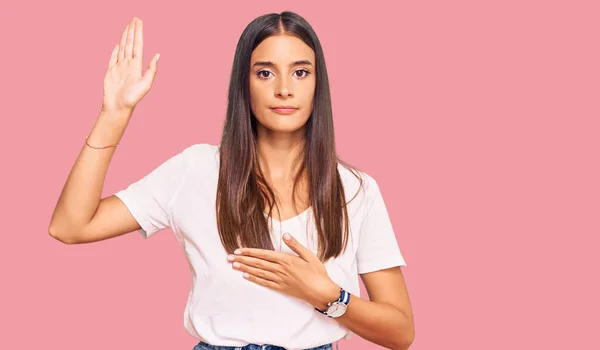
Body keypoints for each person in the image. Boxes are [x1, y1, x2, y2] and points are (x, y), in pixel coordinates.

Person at [49, 11, 415, 350]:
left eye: (300, 72)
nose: (284, 89)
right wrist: (114, 114)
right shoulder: (194, 169)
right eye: (265, 72)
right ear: (245, 83)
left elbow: (400, 332)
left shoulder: (355, 189)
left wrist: (329, 296)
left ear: (319, 84)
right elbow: (70, 225)